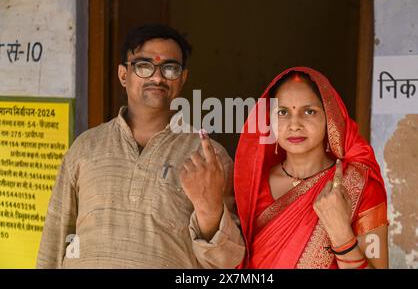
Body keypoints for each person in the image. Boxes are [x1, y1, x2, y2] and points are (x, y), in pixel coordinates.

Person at [37, 24, 245, 268]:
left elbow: (229, 261)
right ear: (124, 75)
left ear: (183, 78)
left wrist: (209, 210)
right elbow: (55, 239)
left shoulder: (209, 157)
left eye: (170, 68)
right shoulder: (86, 147)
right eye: (144, 66)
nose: (158, 77)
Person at [234, 67, 389, 269]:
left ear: (329, 118)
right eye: (282, 112)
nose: (294, 124)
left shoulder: (361, 187)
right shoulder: (252, 186)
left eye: (309, 111)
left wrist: (341, 234)